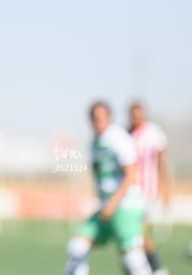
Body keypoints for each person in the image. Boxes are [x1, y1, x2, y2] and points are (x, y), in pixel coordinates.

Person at [64, 101, 152, 275]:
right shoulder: (94, 143)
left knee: (132, 257)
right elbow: (99, 175)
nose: (98, 122)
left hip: (126, 205)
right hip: (107, 207)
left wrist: (113, 202)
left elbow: (132, 175)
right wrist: (101, 200)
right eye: (95, 119)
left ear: (109, 118)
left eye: (102, 118)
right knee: (77, 247)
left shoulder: (119, 139)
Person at [129, 102, 170, 275]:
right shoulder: (127, 133)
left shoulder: (154, 133)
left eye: (139, 112)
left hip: (147, 191)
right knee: (131, 234)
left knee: (138, 232)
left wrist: (165, 188)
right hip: (130, 191)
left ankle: (156, 268)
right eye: (133, 113)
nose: (136, 116)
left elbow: (162, 163)